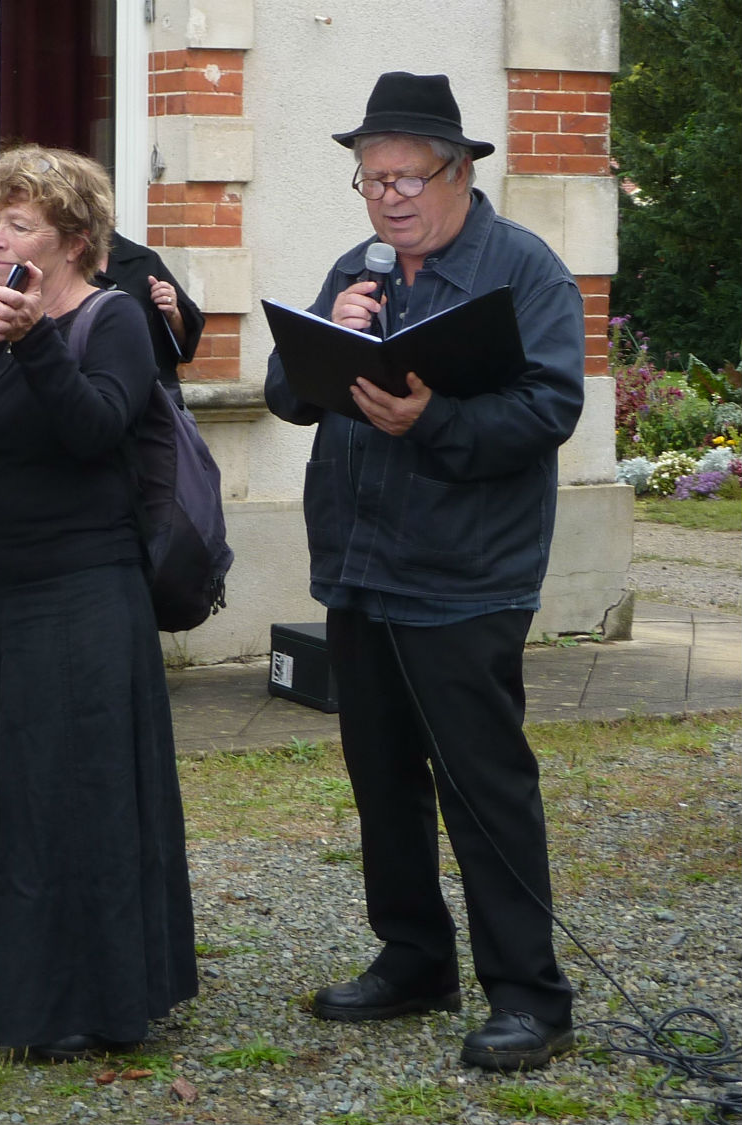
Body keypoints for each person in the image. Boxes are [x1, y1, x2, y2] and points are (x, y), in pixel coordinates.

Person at [264, 72, 585, 1071]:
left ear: (459, 173)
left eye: (407, 177)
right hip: (362, 569)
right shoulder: (357, 269)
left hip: (465, 576)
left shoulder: (522, 272)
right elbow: (285, 390)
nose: (390, 198)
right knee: (383, 781)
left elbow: (550, 409)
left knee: (485, 789)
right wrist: (334, 329)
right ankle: (414, 959)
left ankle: (529, 996)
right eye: (373, 179)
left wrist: (433, 420)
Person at [0, 145, 198, 1061]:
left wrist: (33, 338)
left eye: (19, 224)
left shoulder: (113, 318)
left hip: (80, 591)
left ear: (74, 240)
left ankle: (82, 1000)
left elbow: (95, 430)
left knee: (68, 794)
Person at [94, 231, 205, 405]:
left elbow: (186, 342)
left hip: (152, 403)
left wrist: (173, 313)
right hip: (95, 395)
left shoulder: (144, 260)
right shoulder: (61, 266)